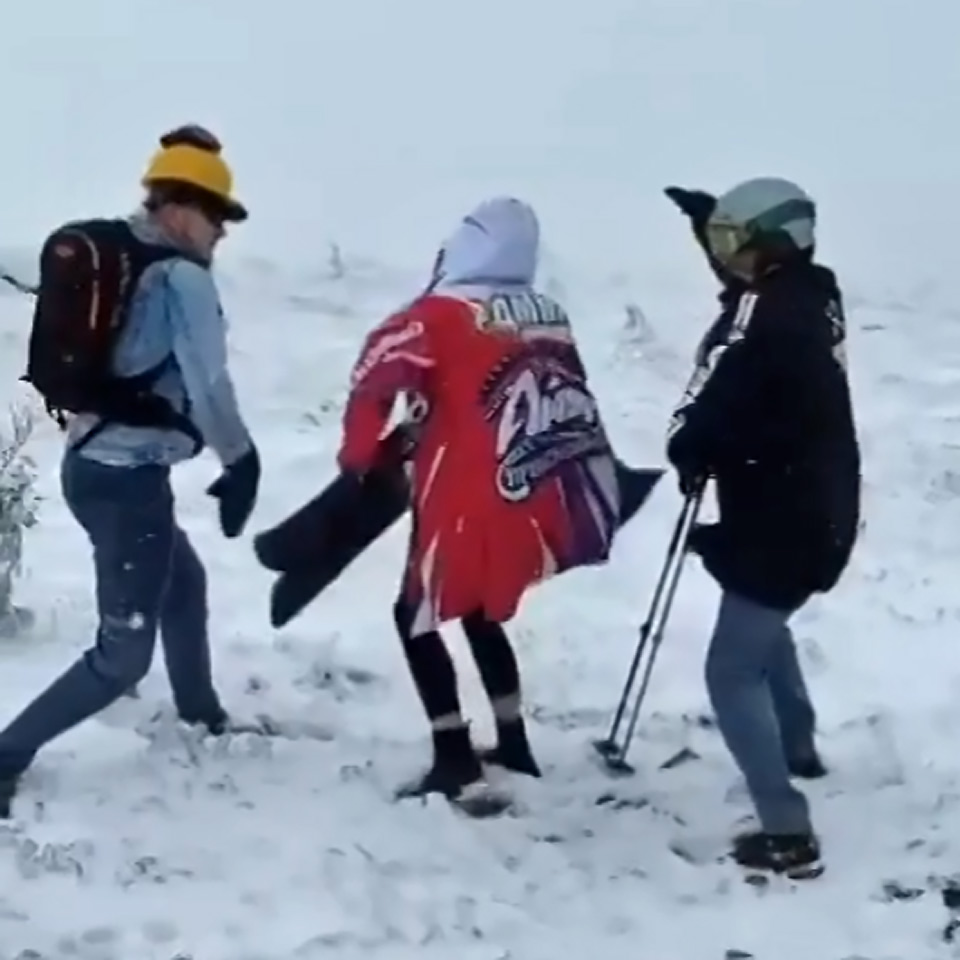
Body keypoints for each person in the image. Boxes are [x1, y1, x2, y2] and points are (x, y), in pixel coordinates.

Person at [0, 125, 260, 818]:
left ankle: (201, 713)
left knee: (185, 582)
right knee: (122, 656)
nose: (220, 235)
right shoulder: (181, 278)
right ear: (179, 206)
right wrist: (242, 460)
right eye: (216, 216)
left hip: (94, 467)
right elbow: (209, 385)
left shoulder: (122, 255)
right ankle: (6, 754)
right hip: (126, 483)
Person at [337, 196, 623, 816]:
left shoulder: (437, 313)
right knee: (479, 610)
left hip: (463, 491)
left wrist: (359, 461)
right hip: (538, 486)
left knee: (414, 615)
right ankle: (514, 742)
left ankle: (452, 754)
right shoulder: (549, 315)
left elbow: (376, 378)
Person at [664, 177, 861, 876]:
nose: (726, 258)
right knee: (762, 625)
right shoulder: (807, 292)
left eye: (733, 242)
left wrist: (692, 445)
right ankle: (798, 748)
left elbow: (730, 393)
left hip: (787, 519)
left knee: (730, 669)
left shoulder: (773, 322)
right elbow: (745, 296)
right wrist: (707, 228)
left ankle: (787, 832)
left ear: (767, 244)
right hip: (810, 506)